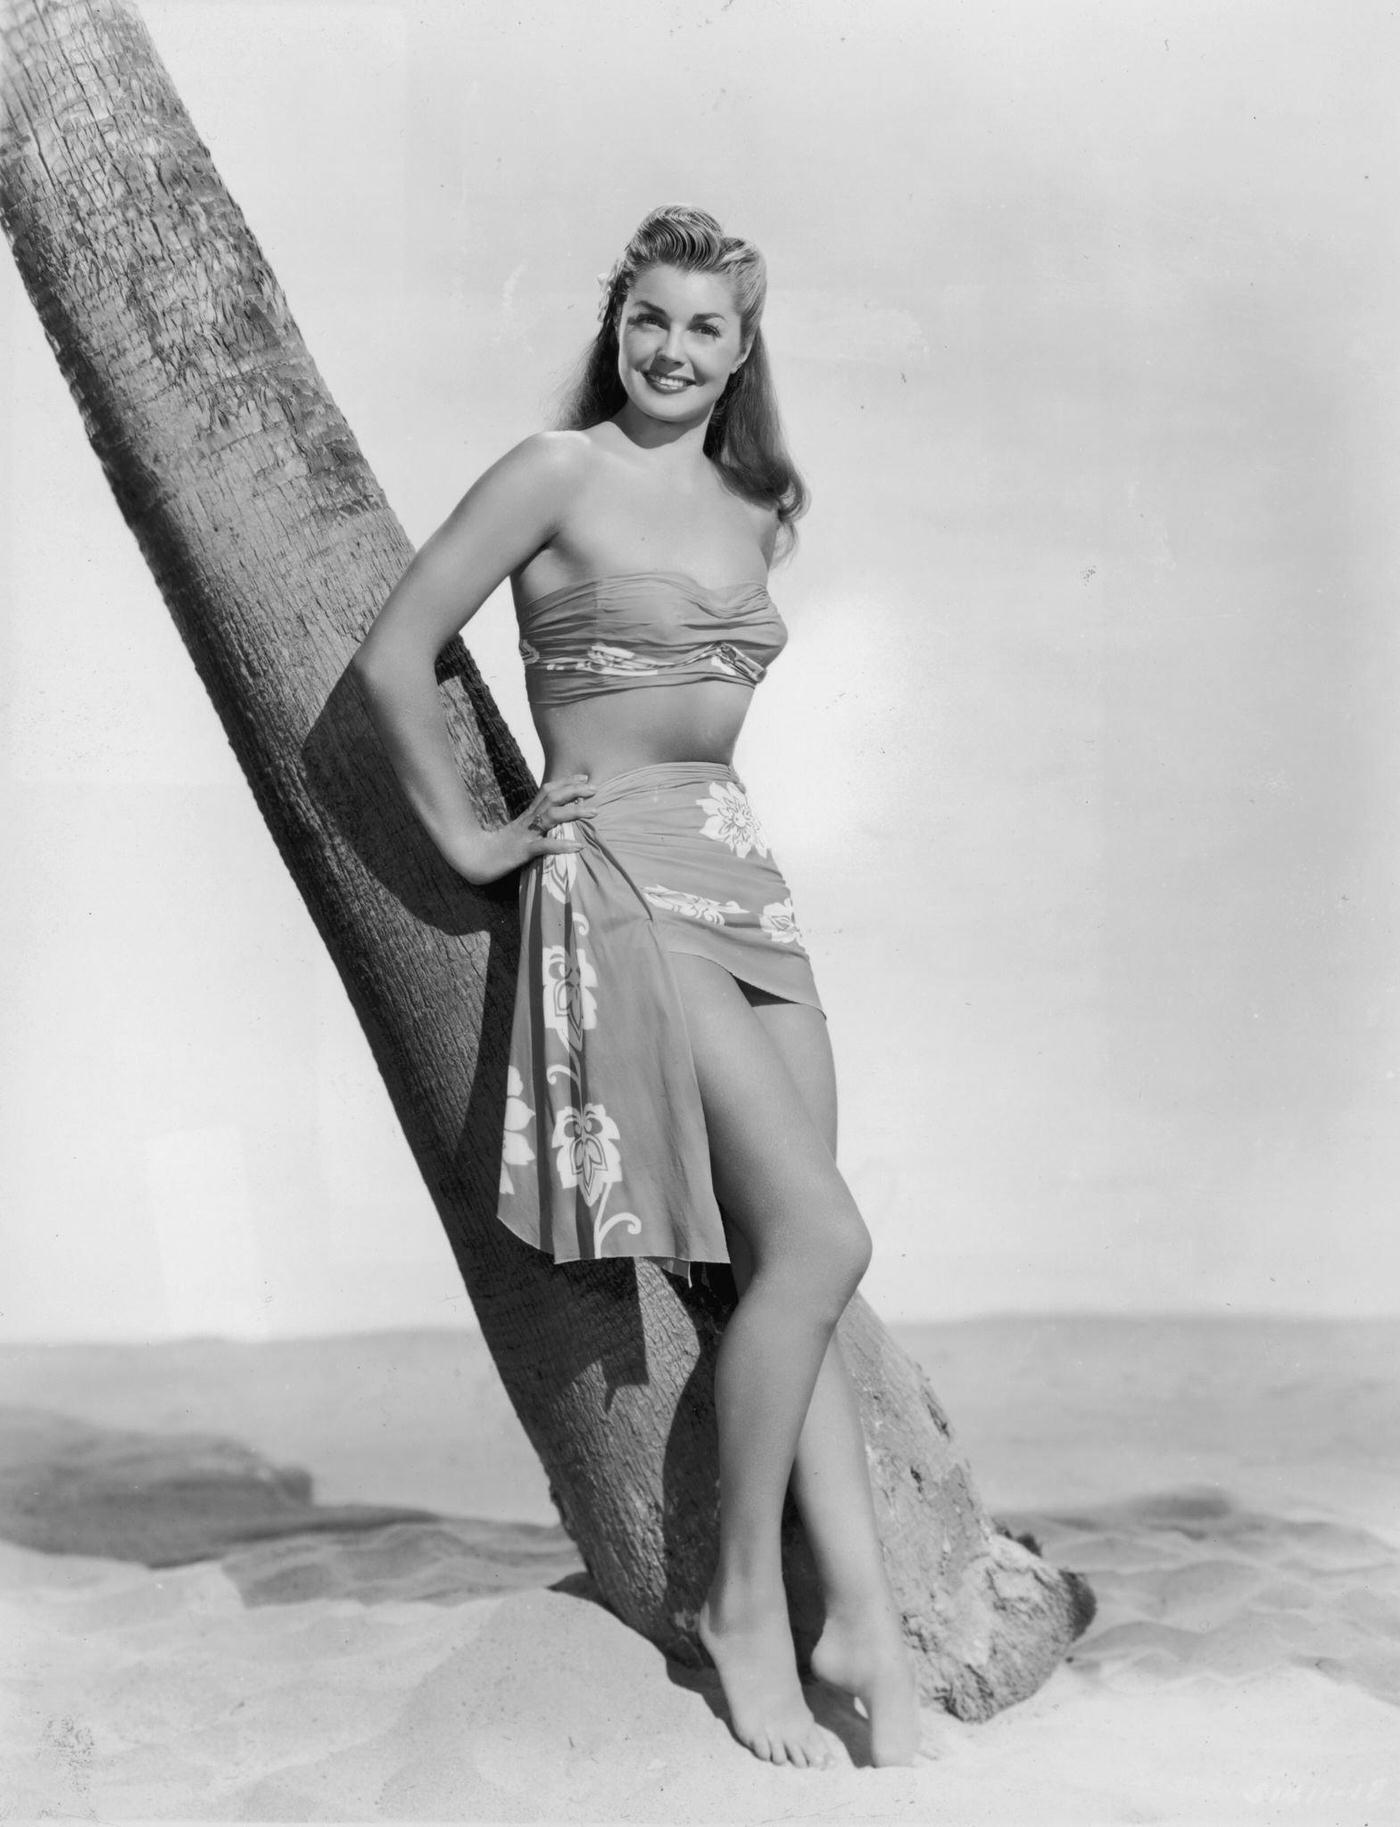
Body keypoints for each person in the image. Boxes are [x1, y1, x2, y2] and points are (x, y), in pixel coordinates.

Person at [351, 205, 920, 1769]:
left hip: (749, 883)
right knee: (821, 1231)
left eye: (705, 330)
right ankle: (749, 1608)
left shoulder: (757, 506)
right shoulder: (556, 471)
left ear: (745, 354)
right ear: (618, 326)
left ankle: (859, 1609)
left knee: (797, 1262)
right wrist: (474, 838)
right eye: (648, 321)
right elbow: (397, 651)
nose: (671, 351)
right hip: (620, 884)